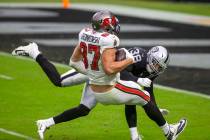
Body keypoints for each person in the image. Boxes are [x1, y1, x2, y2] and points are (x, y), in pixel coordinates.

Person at [12, 10, 187, 140]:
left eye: (158, 65)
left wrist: (154, 107)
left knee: (84, 109)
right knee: (58, 81)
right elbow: (120, 73)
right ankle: (35, 52)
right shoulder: (132, 53)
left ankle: (46, 122)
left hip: (101, 73)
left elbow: (141, 91)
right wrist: (97, 72)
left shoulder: (96, 37)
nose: (155, 67)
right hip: (98, 72)